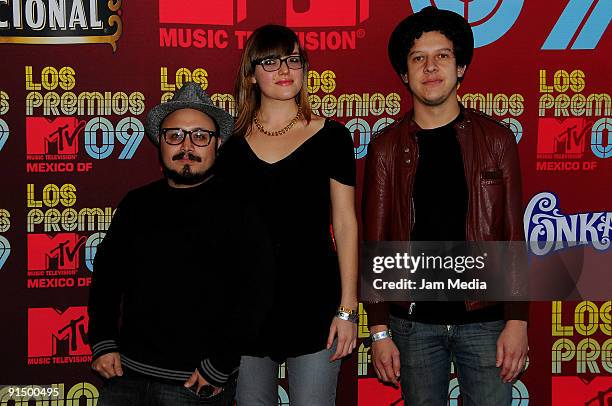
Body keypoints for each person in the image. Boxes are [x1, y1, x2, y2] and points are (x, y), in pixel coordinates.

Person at [362, 7, 529, 406]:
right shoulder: (386, 147)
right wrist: (380, 330)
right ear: (404, 74)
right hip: (413, 325)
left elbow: (512, 236)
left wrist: (518, 319)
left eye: (442, 56)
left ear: (461, 68)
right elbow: (376, 242)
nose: (431, 67)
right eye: (418, 58)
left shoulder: (496, 139)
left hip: (486, 321)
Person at [88, 82, 272, 406]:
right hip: (125, 380)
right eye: (175, 135)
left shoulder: (240, 210)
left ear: (217, 144)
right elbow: (106, 276)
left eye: (200, 136)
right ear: (160, 142)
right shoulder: (136, 204)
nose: (187, 145)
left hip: (195, 386)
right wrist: (102, 340)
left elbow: (255, 295)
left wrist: (219, 366)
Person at [216, 24, 358, 405]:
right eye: (271, 60)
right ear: (251, 74)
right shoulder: (230, 150)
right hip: (248, 312)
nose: (284, 69)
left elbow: (345, 225)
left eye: (293, 59)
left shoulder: (332, 138)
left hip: (315, 304)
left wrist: (348, 308)